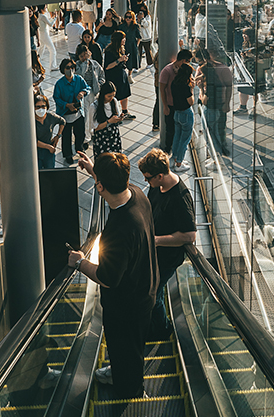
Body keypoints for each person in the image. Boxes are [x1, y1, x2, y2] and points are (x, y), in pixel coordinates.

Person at [68, 151, 157, 398]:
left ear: (99, 187)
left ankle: (130, 391)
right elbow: (112, 183)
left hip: (126, 306)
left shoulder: (119, 228)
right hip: (145, 288)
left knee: (124, 349)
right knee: (132, 348)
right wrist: (94, 170)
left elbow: (107, 277)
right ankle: (122, 371)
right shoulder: (138, 195)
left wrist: (79, 262)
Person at [138, 148, 197, 336]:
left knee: (153, 294)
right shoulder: (158, 186)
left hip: (167, 257)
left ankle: (163, 330)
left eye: (148, 178)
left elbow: (189, 235)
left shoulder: (180, 197)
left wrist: (156, 240)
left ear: (160, 175)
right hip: (154, 253)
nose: (146, 182)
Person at [195, 47, 233, 156]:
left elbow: (204, 95)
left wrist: (201, 88)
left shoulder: (209, 71)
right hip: (220, 103)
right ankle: (220, 149)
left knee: (212, 132)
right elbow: (229, 87)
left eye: (199, 62)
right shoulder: (223, 68)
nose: (199, 65)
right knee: (219, 128)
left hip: (213, 104)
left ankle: (216, 154)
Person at [52, 58, 90, 164]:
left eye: (72, 67)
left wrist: (83, 92)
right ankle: (67, 154)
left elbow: (87, 87)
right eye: (67, 67)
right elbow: (56, 98)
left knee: (80, 133)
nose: (70, 69)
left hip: (78, 112)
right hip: (65, 113)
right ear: (63, 70)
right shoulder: (59, 84)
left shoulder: (79, 79)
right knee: (66, 136)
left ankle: (80, 148)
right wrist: (67, 105)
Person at [159, 48, 192, 152]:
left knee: (178, 131)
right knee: (170, 130)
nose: (189, 64)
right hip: (171, 105)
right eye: (188, 61)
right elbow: (162, 89)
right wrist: (165, 106)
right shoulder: (167, 71)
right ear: (183, 60)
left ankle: (176, 151)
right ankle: (168, 149)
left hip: (181, 106)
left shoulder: (183, 71)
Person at [76, 43, 105, 140]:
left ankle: (92, 131)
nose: (84, 57)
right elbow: (80, 75)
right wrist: (85, 62)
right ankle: (86, 136)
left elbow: (101, 75)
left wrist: (100, 84)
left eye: (85, 54)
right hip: (84, 92)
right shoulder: (77, 66)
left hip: (95, 91)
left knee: (94, 113)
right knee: (86, 115)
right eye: (81, 56)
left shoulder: (95, 64)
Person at [103, 30, 134, 118]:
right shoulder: (109, 51)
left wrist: (124, 59)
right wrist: (119, 60)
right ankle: (114, 113)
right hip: (113, 76)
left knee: (125, 94)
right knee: (114, 95)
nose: (124, 40)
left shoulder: (121, 48)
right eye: (123, 39)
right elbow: (107, 66)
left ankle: (125, 111)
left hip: (121, 74)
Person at [170, 62, 194, 171]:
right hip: (186, 114)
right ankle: (179, 164)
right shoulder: (186, 86)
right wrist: (192, 89)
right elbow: (190, 102)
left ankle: (174, 158)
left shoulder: (174, 83)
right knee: (185, 139)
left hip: (176, 113)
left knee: (177, 136)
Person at [92, 81, 125, 155]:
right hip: (102, 138)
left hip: (114, 136)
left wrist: (120, 118)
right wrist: (109, 121)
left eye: (113, 95)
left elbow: (116, 116)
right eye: (109, 96)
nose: (111, 98)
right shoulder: (94, 106)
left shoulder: (114, 101)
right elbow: (95, 128)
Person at [34, 97, 65, 170]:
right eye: (37, 107)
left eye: (43, 106)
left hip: (48, 152)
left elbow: (62, 121)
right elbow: (32, 140)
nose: (40, 109)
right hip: (36, 152)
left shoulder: (51, 117)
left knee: (50, 171)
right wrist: (48, 147)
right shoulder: (31, 120)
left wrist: (58, 136)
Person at [119, 10, 141, 81]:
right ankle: (122, 75)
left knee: (131, 60)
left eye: (129, 17)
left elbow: (139, 37)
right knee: (122, 59)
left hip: (132, 45)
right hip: (123, 45)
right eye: (126, 17)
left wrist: (136, 45)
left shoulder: (135, 26)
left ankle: (129, 75)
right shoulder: (122, 26)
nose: (127, 18)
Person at [37, 4, 58, 72]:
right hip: (45, 34)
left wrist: (53, 18)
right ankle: (52, 66)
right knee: (52, 49)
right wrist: (55, 17)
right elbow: (51, 24)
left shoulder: (39, 16)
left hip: (41, 34)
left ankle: (37, 62)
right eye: (45, 7)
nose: (46, 8)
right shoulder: (43, 16)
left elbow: (48, 22)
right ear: (42, 9)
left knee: (41, 49)